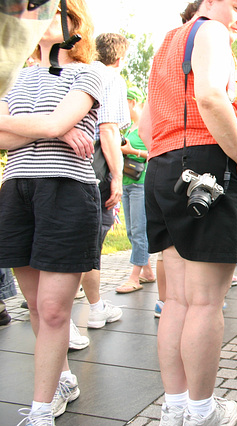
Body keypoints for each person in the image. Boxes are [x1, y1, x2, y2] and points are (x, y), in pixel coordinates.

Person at [139, 0, 237, 425]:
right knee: (206, 302)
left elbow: (144, 125)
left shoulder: (166, 45)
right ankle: (203, 411)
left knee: (177, 300)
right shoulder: (211, 32)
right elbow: (210, 96)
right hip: (210, 163)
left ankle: (175, 408)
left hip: (164, 166)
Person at [0, 1, 103, 424]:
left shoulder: (88, 73)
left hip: (67, 192)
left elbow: (31, 128)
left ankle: (40, 411)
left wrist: (43, 126)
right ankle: (62, 379)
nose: (33, 18)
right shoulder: (14, 75)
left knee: (56, 308)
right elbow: (12, 139)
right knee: (37, 308)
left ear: (72, 23)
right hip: (17, 190)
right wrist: (55, 128)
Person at [77, 33, 130, 337]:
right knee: (88, 243)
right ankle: (92, 311)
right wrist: (117, 177)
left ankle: (93, 307)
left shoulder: (81, 72)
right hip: (93, 168)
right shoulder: (112, 78)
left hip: (69, 165)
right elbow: (107, 129)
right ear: (120, 59)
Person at [117, 86, 158, 296]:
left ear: (133, 102)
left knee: (139, 231)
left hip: (141, 182)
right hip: (127, 181)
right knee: (132, 231)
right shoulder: (129, 127)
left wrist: (131, 151)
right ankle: (148, 272)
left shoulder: (146, 125)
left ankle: (134, 277)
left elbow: (155, 152)